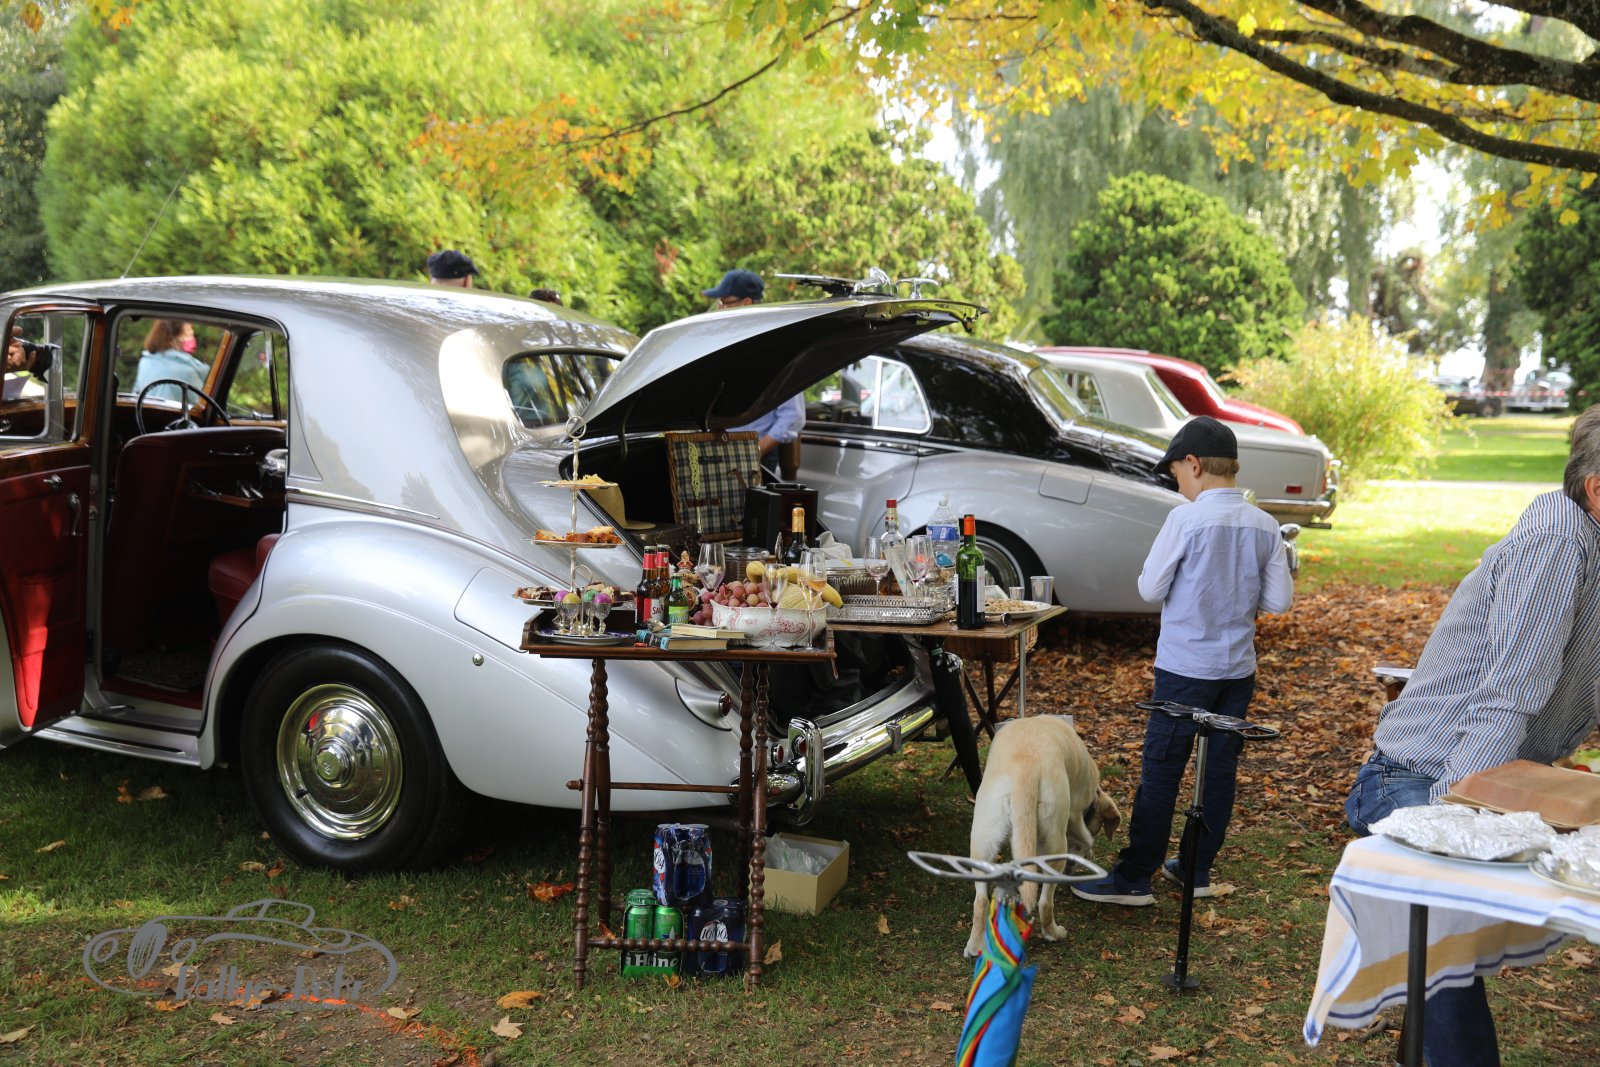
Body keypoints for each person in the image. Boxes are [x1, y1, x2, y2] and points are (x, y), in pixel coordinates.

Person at [1343, 404, 1600, 1067]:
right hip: (1425, 777)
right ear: (1598, 488)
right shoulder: (1558, 541)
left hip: (1493, 778)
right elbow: (1509, 693)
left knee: (1445, 962)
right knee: (1446, 954)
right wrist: (1453, 820)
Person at [1074, 416, 1293, 907]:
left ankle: (1135, 877)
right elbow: (1279, 601)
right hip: (1237, 671)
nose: (1178, 485)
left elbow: (1150, 588)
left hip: (1184, 668)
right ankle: (1195, 868)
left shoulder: (1185, 520)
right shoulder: (1265, 525)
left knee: (1162, 768)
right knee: (1218, 770)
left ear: (1193, 464)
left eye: (1176, 474)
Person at [704, 269, 804, 477]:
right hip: (719, 452)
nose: (719, 308)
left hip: (757, 458)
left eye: (724, 302)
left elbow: (793, 415)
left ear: (747, 303)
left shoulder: (775, 351)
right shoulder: (723, 345)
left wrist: (754, 452)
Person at [132, 320, 207, 403]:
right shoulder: (187, 369)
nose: (192, 336)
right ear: (172, 339)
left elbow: (135, 395)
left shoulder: (145, 361)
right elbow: (202, 404)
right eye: (188, 334)